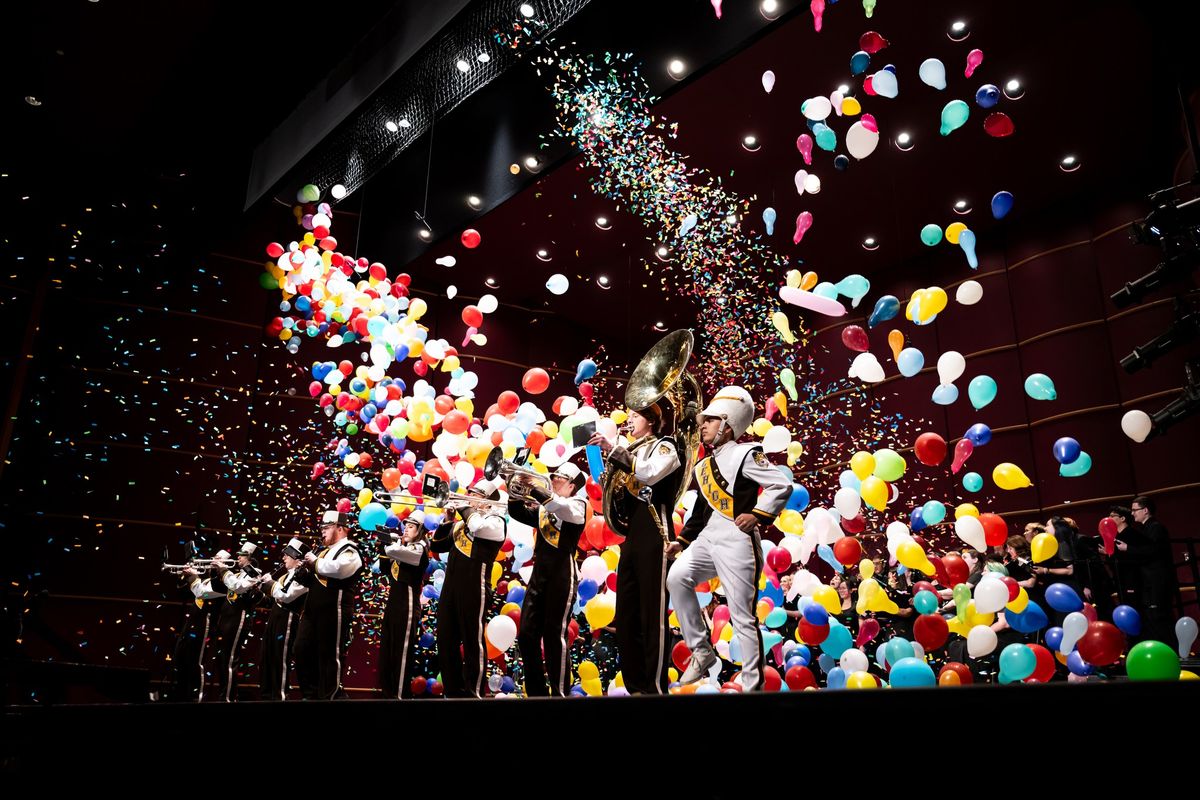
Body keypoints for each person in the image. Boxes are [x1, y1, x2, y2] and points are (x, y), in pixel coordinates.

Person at [666, 386, 791, 691]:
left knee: (741, 615)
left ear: (727, 423)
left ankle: (752, 684)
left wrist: (758, 514)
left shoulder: (747, 453)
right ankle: (702, 650)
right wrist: (681, 542)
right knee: (677, 578)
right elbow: (700, 511)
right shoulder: (704, 465)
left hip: (738, 538)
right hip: (709, 537)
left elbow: (780, 485)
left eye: (709, 420)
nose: (702, 425)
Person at [589, 402, 683, 695]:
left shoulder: (664, 446)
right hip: (632, 535)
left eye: (635, 416)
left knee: (651, 612)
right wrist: (601, 463)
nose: (628, 420)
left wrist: (616, 452)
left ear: (651, 421)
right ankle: (635, 686)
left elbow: (651, 473)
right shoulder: (631, 451)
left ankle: (654, 687)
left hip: (656, 529)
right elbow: (617, 498)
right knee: (627, 612)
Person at [509, 461, 588, 697]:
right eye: (553, 476)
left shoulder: (578, 504)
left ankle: (559, 693)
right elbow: (518, 512)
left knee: (554, 635)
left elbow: (560, 509)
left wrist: (534, 488)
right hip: (539, 574)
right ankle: (537, 694)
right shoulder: (546, 506)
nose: (553, 480)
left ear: (572, 486)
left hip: (562, 574)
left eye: (559, 478)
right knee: (526, 634)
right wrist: (514, 488)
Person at [432, 479, 506, 698]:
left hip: (475, 587)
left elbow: (478, 527)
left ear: (487, 501)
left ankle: (474, 692)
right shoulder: (461, 524)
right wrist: (447, 520)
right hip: (451, 589)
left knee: (473, 640)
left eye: (475, 494)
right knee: (445, 639)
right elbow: (437, 546)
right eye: (469, 493)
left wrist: (464, 507)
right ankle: (453, 691)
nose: (468, 496)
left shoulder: (496, 522)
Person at [294, 510, 363, 700]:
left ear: (340, 528)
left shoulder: (350, 549)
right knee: (302, 649)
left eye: (326, 528)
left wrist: (315, 563)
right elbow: (318, 580)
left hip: (334, 610)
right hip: (311, 611)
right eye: (322, 528)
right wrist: (304, 574)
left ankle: (331, 697)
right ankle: (311, 694)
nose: (322, 532)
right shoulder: (324, 550)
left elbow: (340, 570)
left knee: (330, 655)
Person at [379, 511, 431, 699]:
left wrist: (390, 544)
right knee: (387, 649)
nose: (405, 529)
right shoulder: (403, 548)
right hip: (393, 604)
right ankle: (386, 693)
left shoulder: (420, 548)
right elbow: (385, 567)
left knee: (401, 652)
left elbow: (396, 552)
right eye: (405, 525)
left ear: (420, 530)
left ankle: (399, 696)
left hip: (407, 605)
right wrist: (382, 541)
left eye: (411, 526)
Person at [208, 542, 262, 702]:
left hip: (239, 618)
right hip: (226, 618)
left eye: (241, 555)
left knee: (229, 658)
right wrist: (214, 571)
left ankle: (228, 698)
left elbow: (237, 587)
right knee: (222, 659)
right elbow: (218, 589)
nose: (237, 557)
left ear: (250, 558)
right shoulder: (237, 573)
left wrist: (223, 569)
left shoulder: (255, 573)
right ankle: (224, 694)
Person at [258, 538, 309, 701]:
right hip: (275, 617)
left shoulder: (303, 577)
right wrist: (258, 590)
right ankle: (267, 695)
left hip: (288, 618)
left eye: (287, 555)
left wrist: (269, 583)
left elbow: (286, 596)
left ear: (296, 557)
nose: (283, 558)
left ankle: (279, 697)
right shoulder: (285, 577)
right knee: (268, 656)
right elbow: (274, 598)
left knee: (281, 658)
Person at [178, 551, 228, 702]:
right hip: (192, 621)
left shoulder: (222, 583)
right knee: (182, 657)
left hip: (205, 623)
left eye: (218, 559)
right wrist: (184, 575)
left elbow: (201, 594)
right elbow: (184, 590)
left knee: (196, 661)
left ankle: (195, 698)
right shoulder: (207, 579)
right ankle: (181, 694)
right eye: (214, 557)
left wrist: (193, 576)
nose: (213, 560)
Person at [1131, 495, 1177, 641]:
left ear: (1145, 510)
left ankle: (1170, 652)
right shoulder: (1145, 528)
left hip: (1158, 581)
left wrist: (1128, 548)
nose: (1132, 513)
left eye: (1135, 510)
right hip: (1150, 581)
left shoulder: (1156, 527)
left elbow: (1153, 551)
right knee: (1153, 618)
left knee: (1160, 617)